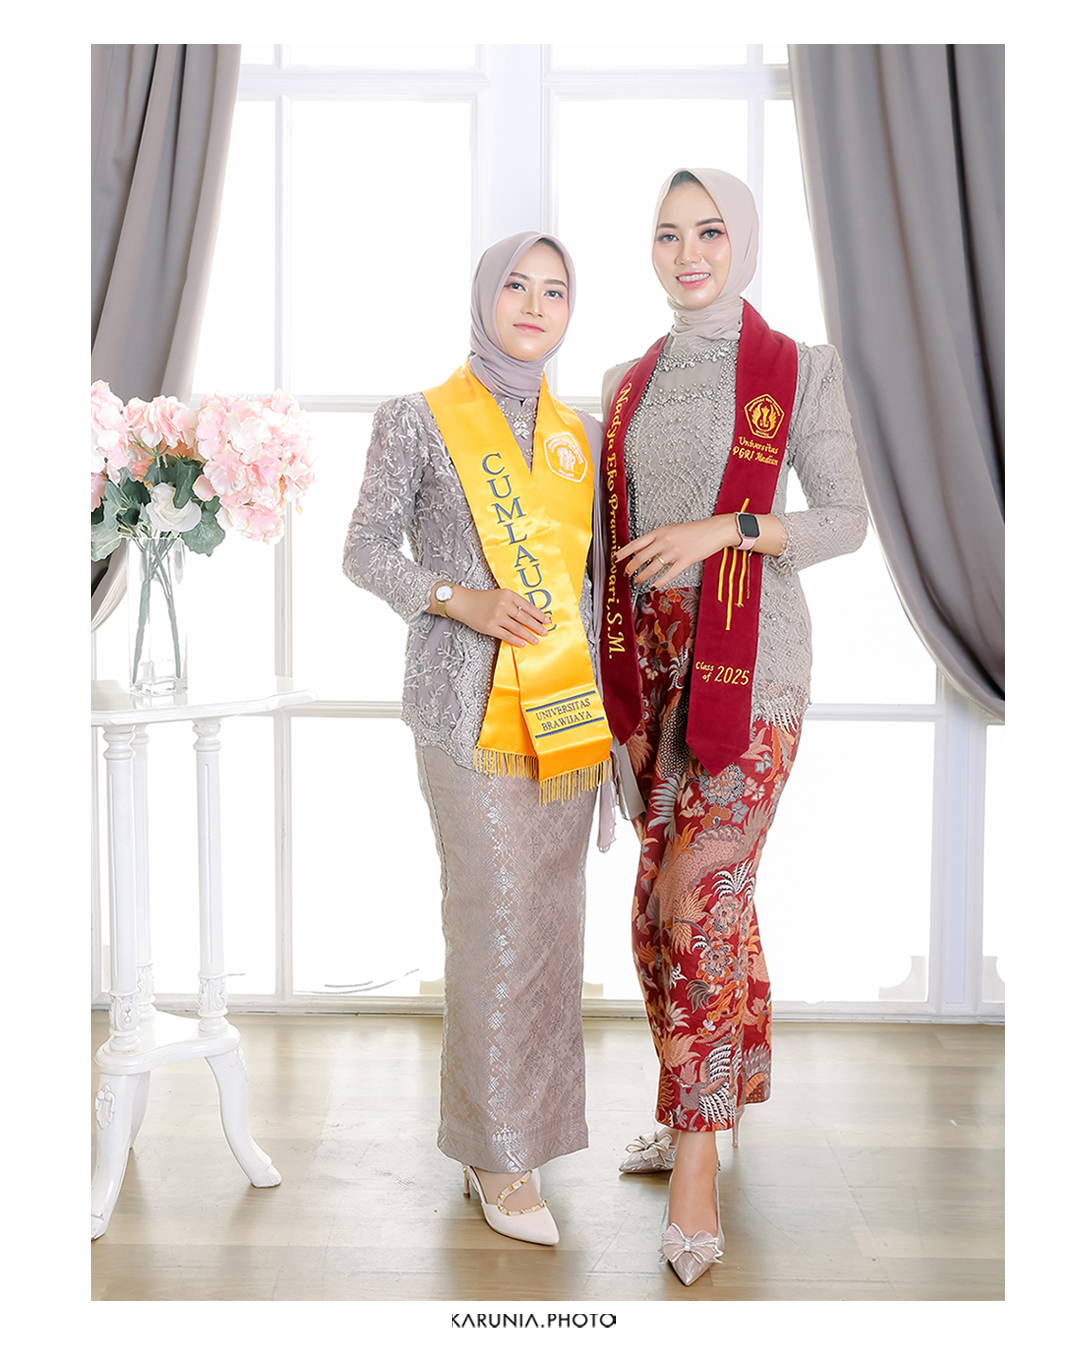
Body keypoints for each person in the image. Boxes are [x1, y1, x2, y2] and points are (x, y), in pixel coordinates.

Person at [599, 168, 868, 1284]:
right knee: (669, 906)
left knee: (696, 897)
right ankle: (715, 1094)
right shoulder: (624, 383)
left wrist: (730, 529)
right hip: (652, 673)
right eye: (668, 235)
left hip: (753, 669)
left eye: (709, 231)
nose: (690, 253)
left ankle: (697, 1161)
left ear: (744, 242)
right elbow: (603, 546)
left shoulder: (800, 369)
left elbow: (845, 519)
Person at [343, 232, 610, 1247]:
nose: (535, 305)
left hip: (564, 720)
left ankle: (521, 1139)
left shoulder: (582, 436)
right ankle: (496, 1158)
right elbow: (365, 550)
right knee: (492, 923)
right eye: (517, 286)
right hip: (464, 715)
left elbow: (593, 586)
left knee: (549, 932)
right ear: (484, 296)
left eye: (555, 291)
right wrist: (461, 599)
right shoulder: (417, 419)